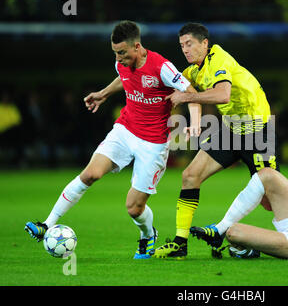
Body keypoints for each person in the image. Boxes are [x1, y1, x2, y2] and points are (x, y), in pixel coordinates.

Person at [24, 20, 201, 259]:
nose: (118, 59)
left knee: (134, 208)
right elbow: (123, 77)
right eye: (115, 53)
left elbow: (192, 93)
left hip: (153, 143)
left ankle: (148, 235)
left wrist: (195, 121)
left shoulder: (162, 67)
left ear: (137, 47)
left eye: (122, 53)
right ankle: (47, 223)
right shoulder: (122, 62)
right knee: (89, 174)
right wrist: (103, 94)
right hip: (125, 130)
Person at [151, 22, 288, 259]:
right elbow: (186, 90)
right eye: (182, 45)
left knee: (268, 200)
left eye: (189, 44)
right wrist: (194, 119)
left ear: (205, 43)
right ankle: (180, 244)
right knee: (190, 176)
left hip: (258, 131)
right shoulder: (193, 70)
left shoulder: (219, 58)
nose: (185, 49)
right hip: (231, 130)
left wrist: (188, 97)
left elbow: (222, 94)